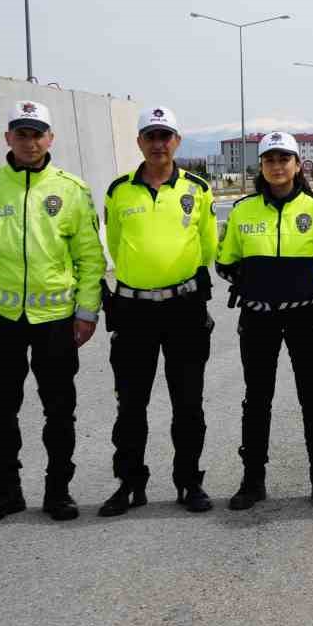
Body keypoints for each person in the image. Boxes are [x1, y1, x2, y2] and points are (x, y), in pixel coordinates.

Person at [0, 101, 105, 523]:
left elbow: (90, 258)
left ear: (50, 138)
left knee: (59, 410)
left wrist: (87, 312)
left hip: (55, 321)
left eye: (37, 133)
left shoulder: (72, 190)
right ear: (8, 138)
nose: (29, 141)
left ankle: (59, 491)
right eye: (21, 133)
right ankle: (5, 491)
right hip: (2, 320)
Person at [216, 132, 313, 510]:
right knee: (257, 399)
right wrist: (256, 288)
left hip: (306, 318)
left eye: (284, 159)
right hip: (258, 319)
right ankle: (252, 481)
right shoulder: (243, 210)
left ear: (297, 165)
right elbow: (224, 264)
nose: (277, 166)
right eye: (269, 160)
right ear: (261, 166)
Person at [99, 106, 218, 515]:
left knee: (188, 403)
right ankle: (130, 484)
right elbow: (115, 245)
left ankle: (189, 482)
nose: (158, 143)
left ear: (178, 141)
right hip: (134, 311)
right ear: (139, 143)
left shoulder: (198, 189)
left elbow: (207, 246)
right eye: (150, 136)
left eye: (165, 135)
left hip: (183, 310)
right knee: (131, 405)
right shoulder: (119, 191)